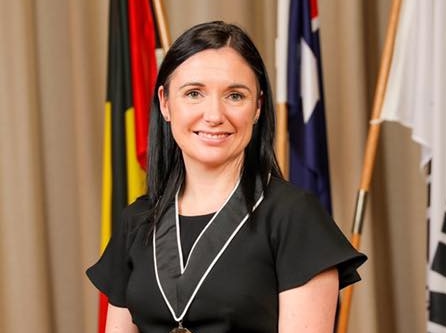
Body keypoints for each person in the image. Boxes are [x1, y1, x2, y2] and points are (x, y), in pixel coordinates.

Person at [87, 21, 366, 333]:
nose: (214, 115)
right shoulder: (136, 221)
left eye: (235, 96)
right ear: (165, 103)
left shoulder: (294, 217)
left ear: (258, 106)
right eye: (194, 93)